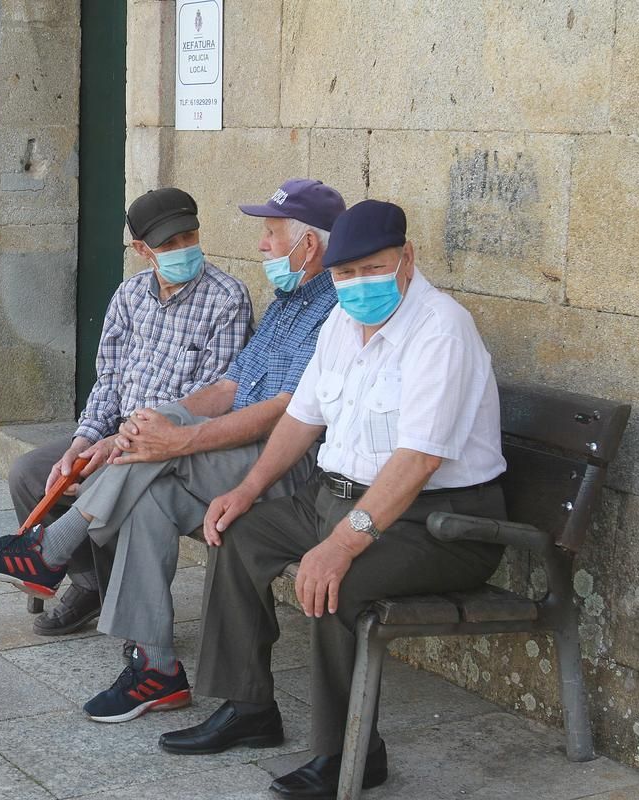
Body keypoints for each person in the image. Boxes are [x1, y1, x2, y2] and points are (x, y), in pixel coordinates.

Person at [0, 180, 345, 724]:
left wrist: (173, 436)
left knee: (154, 454)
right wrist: (159, 421)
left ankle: (50, 550)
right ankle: (157, 668)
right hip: (227, 440)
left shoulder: (330, 308)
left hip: (281, 459)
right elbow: (230, 386)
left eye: (270, 232)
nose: (260, 244)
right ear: (141, 248)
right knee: (147, 496)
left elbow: (288, 410)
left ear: (309, 245)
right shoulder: (288, 300)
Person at [160, 200, 508, 800]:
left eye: (371, 269)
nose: (356, 284)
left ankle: (349, 752)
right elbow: (301, 418)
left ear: (407, 259)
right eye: (344, 274)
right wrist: (245, 490)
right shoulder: (341, 324)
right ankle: (248, 709)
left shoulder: (441, 329)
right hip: (337, 498)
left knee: (335, 581)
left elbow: (419, 458)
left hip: (442, 525)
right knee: (239, 533)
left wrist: (342, 545)